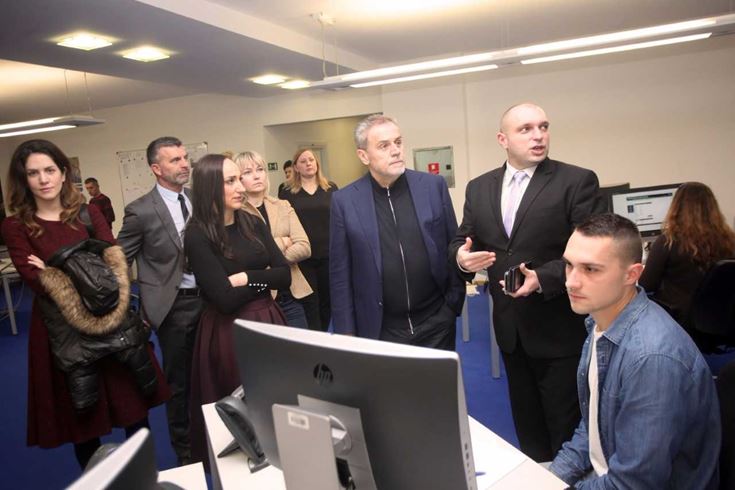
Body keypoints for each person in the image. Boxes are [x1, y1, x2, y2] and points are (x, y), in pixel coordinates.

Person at [1, 139, 169, 470]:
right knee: (84, 425)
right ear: (23, 179)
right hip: (62, 334)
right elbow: (34, 279)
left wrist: (55, 270)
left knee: (134, 414)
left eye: (50, 170)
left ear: (64, 173)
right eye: (33, 173)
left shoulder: (88, 213)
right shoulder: (15, 226)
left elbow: (114, 265)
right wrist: (85, 269)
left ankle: (145, 479)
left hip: (112, 324)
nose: (43, 179)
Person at [450, 103, 604, 461]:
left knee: (567, 432)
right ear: (502, 139)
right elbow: (463, 238)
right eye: (526, 129)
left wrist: (543, 278)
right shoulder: (479, 188)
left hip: (558, 328)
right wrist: (461, 257)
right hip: (510, 331)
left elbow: (593, 250)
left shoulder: (576, 181)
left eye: (543, 127)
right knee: (529, 430)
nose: (539, 136)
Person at [550, 213, 720, 488]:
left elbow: (633, 484)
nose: (571, 281)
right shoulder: (600, 322)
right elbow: (593, 427)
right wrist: (550, 480)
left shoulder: (652, 359)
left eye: (590, 269)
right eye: (569, 265)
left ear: (632, 275)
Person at [184, 154, 290, 463]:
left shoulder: (251, 222)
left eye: (238, 179)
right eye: (230, 181)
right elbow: (224, 299)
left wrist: (246, 278)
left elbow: (284, 276)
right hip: (230, 332)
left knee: (279, 401)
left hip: (268, 321)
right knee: (244, 413)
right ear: (209, 187)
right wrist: (262, 281)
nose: (240, 187)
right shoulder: (198, 234)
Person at [330, 114, 465, 348]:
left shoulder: (432, 187)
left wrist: (452, 304)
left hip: (436, 322)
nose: (396, 151)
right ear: (363, 155)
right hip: (381, 328)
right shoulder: (345, 201)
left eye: (398, 142)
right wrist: (346, 331)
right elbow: (340, 273)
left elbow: (452, 244)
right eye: (384, 146)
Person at [117, 136, 203, 466]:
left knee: (209, 374)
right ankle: (186, 453)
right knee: (179, 384)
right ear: (156, 168)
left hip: (209, 300)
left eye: (185, 157)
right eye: (174, 160)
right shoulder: (140, 211)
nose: (184, 164)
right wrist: (131, 305)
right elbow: (118, 260)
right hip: (173, 307)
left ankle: (212, 439)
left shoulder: (197, 199)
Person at [639, 181, 735, 350]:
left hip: (680, 324)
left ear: (676, 207)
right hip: (721, 322)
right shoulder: (729, 240)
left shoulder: (668, 241)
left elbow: (646, 285)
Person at [235, 150, 313, 329]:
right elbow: (243, 258)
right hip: (256, 300)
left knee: (300, 345)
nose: (256, 176)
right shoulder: (235, 213)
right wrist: (282, 242)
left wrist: (266, 258)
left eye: (260, 169)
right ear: (238, 179)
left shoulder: (282, 205)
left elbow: (304, 247)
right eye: (248, 172)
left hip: (290, 296)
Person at [280, 149, 338, 331]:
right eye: (303, 161)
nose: (308, 164)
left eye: (311, 160)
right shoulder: (287, 192)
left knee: (329, 302)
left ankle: (328, 339)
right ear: (296, 167)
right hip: (303, 258)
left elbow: (340, 218)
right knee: (310, 303)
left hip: (329, 255)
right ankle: (314, 339)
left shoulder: (330, 188)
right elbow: (282, 221)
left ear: (317, 163)